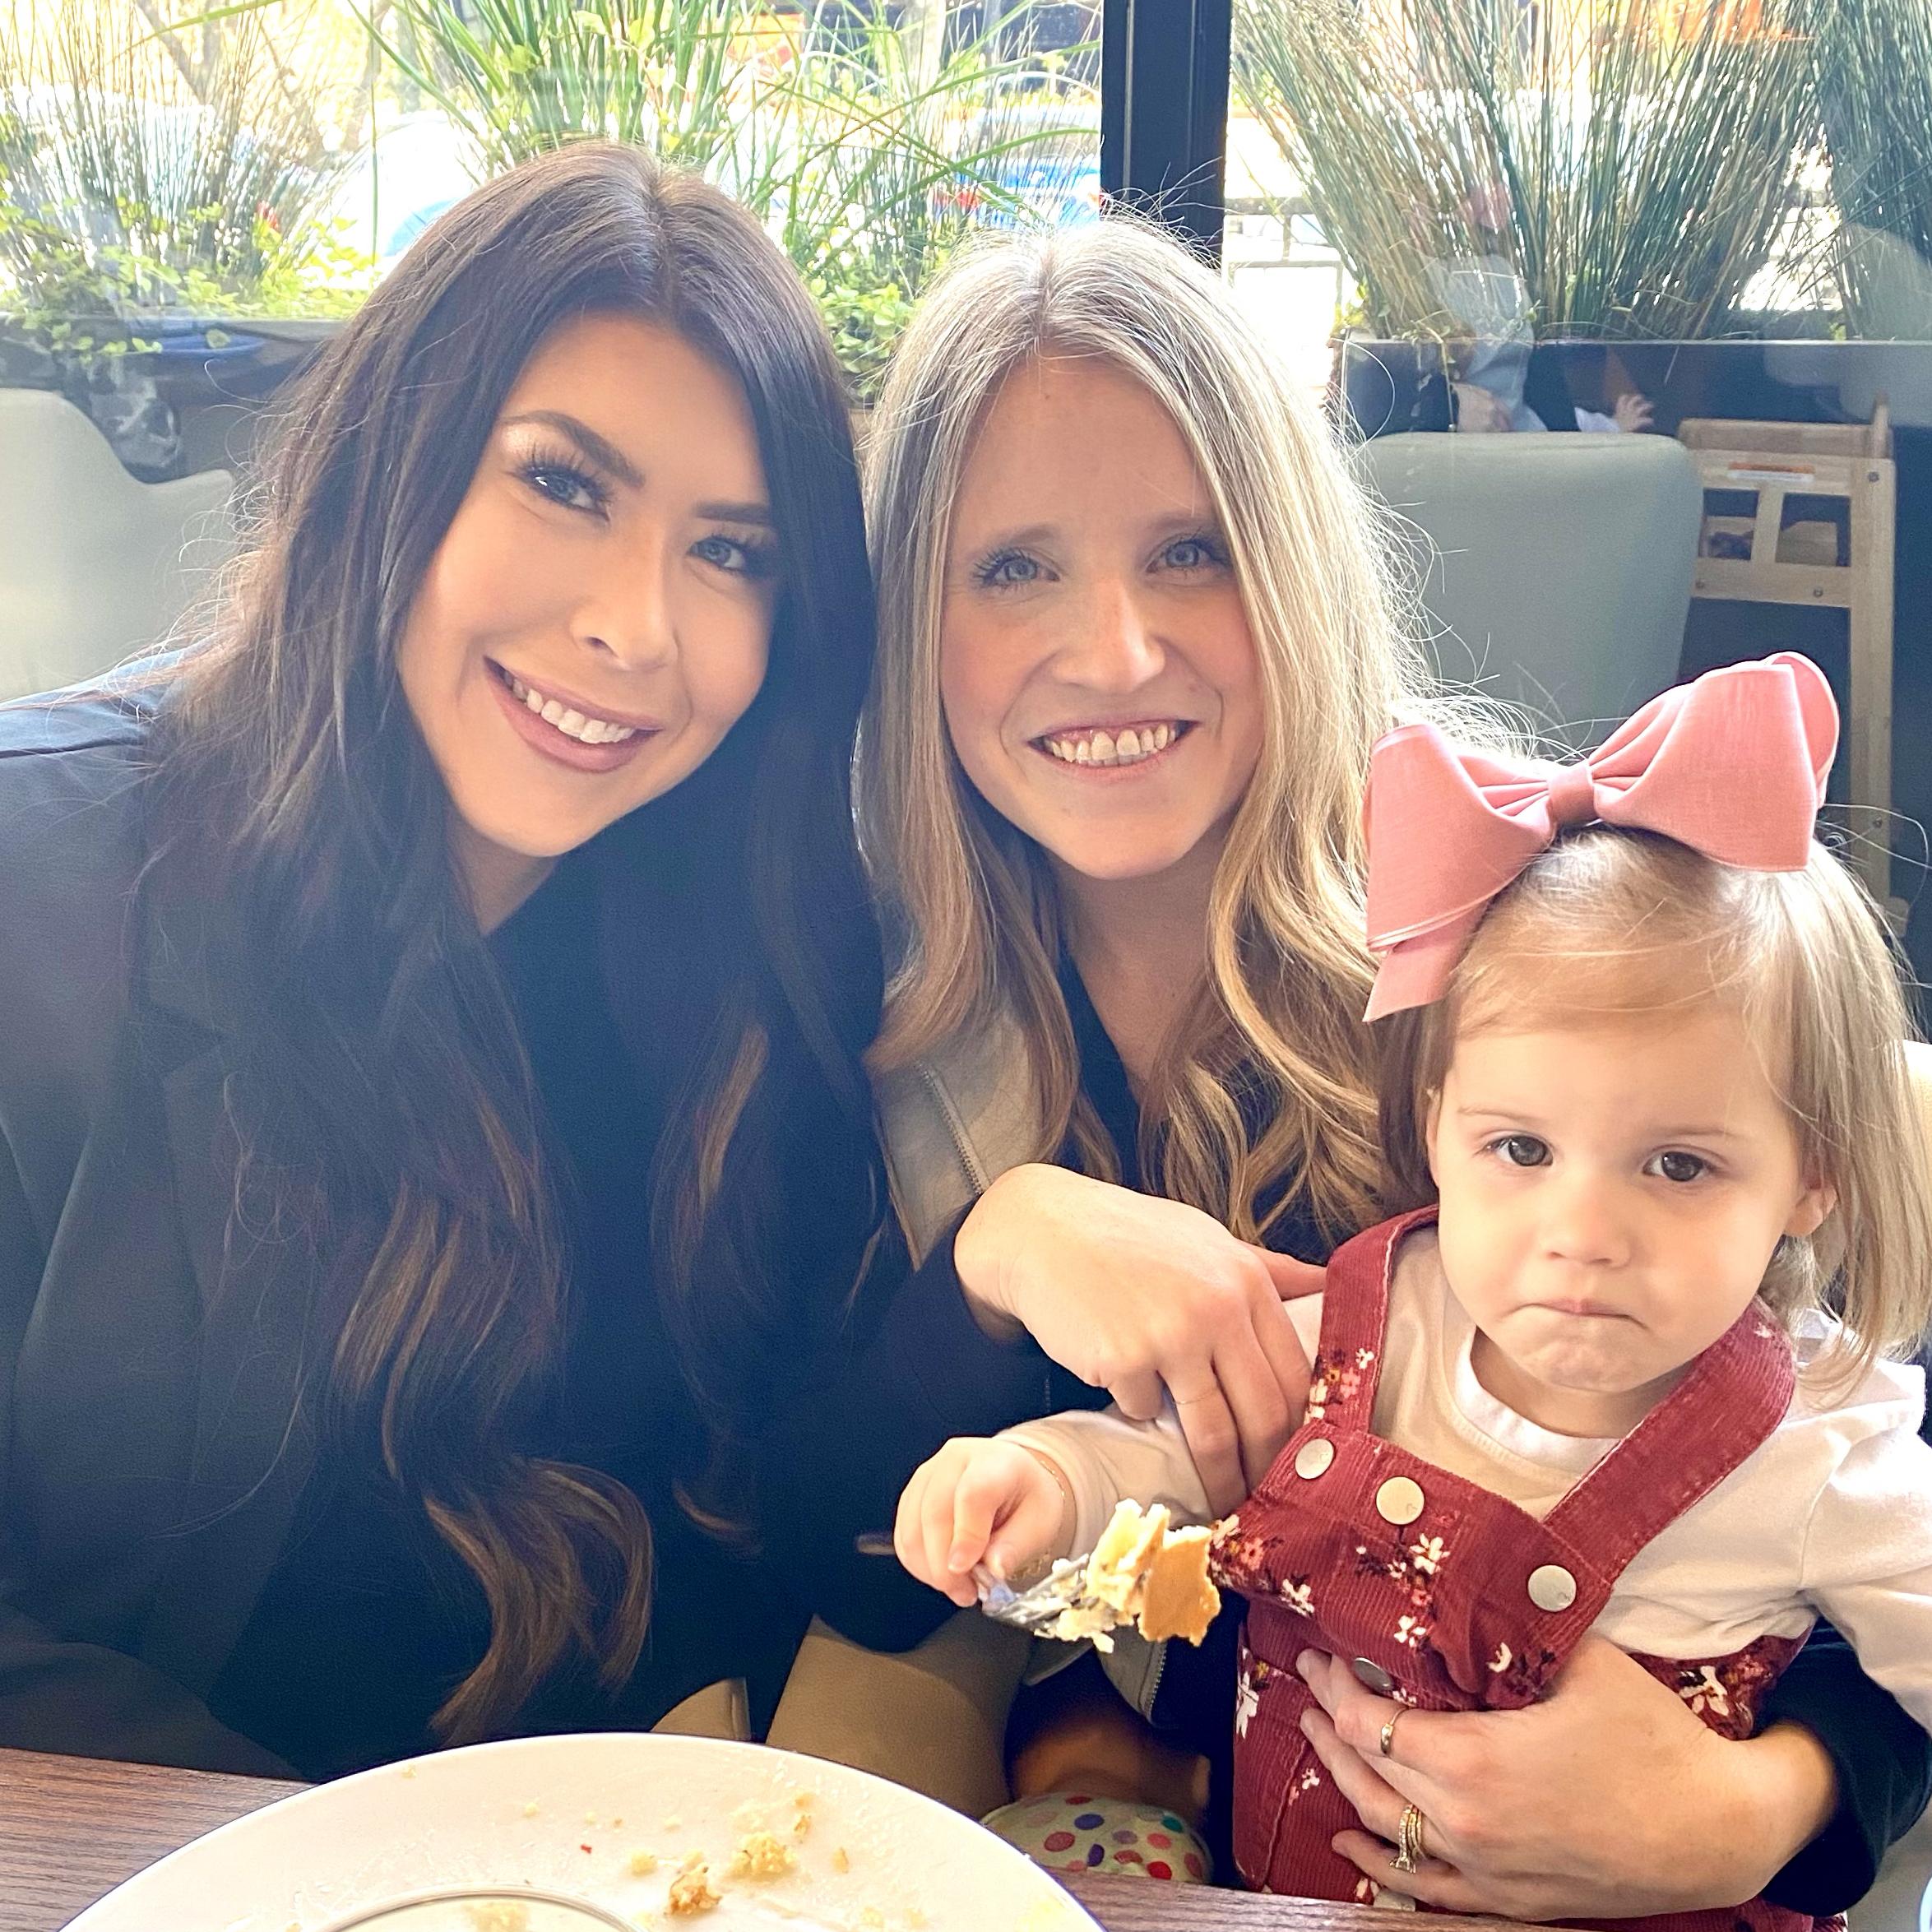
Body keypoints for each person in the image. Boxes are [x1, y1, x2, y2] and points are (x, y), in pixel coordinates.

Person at [814, 220, 1932, 1916]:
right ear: (911, 621)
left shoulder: (1536, 954)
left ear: (1291, 568)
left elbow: (1857, 1473)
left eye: (1188, 549)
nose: (1112, 649)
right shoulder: (863, 1008)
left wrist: (1764, 1800)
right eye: (1012, 567)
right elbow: (813, 1528)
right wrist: (991, 1254)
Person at [0, 143, 897, 1780]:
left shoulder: (738, 959)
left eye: (731, 551)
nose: (635, 625)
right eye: (564, 483)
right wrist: (344, 1870)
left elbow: (761, 1508)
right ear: (389, 462)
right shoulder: (37, 893)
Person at [899, 652, 1932, 1927]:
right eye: (1521, 1149)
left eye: (1677, 1165)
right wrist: (1041, 1479)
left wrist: (1766, 1805)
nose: (1582, 1234)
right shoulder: (1371, 1327)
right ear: (1438, 1129)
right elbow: (1163, 1453)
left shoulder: (1826, 1443)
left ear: (1809, 1178)